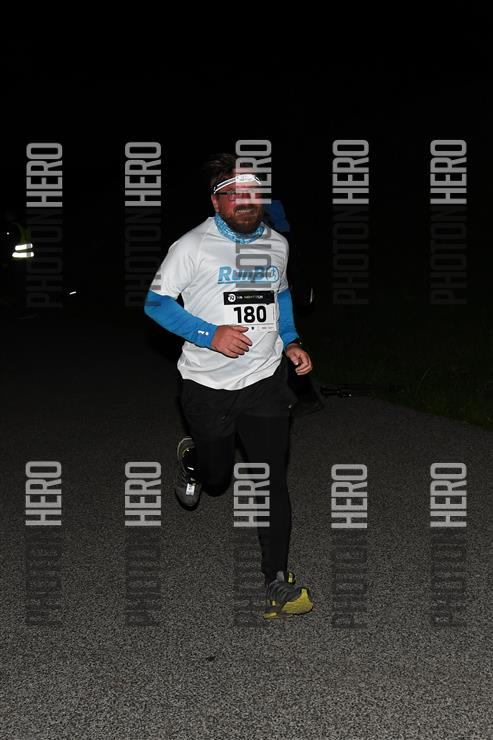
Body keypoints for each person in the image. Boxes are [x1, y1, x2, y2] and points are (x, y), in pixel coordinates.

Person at [144, 154, 313, 619]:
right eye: (234, 194)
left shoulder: (277, 244)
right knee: (218, 477)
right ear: (216, 202)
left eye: (253, 193)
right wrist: (209, 334)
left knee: (271, 479)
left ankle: (276, 579)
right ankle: (194, 460)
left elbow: (280, 294)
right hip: (207, 384)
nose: (246, 201)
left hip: (264, 380)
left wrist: (291, 340)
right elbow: (156, 303)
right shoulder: (191, 246)